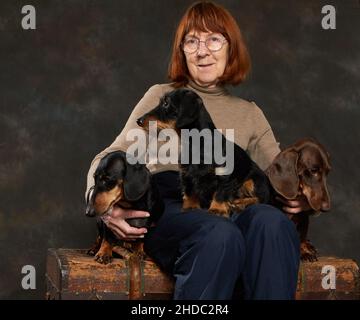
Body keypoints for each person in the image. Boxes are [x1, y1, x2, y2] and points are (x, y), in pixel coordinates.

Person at [86, 1, 310, 299]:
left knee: (273, 224)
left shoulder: (249, 114)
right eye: (192, 41)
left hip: (226, 203)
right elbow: (110, 157)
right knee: (219, 234)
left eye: (214, 39)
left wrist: (302, 198)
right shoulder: (161, 98)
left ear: (232, 48)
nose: (202, 51)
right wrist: (105, 208)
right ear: (182, 52)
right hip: (172, 208)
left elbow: (281, 178)